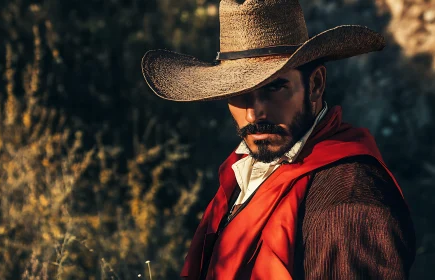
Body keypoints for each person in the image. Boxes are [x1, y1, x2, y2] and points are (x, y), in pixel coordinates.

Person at [141, 0, 416, 279]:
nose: (253, 114)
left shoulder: (348, 206)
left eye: (274, 87)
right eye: (237, 92)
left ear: (315, 85)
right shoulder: (248, 171)